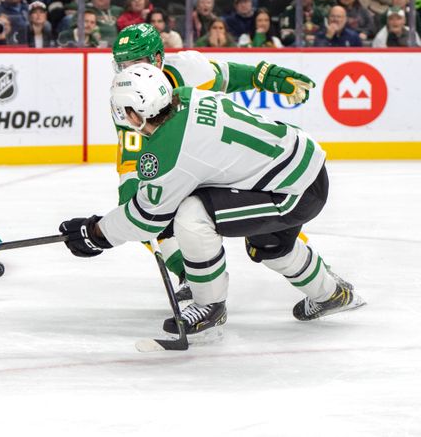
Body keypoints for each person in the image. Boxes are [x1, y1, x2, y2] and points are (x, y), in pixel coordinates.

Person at [58, 62, 364, 336]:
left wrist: (96, 233)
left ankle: (209, 305)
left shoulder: (170, 151)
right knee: (270, 247)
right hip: (300, 167)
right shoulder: (188, 96)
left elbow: (145, 220)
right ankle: (331, 294)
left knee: (193, 215)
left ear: (134, 112)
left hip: (293, 192)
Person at [98, 23, 320, 310]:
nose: (129, 70)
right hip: (189, 161)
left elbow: (229, 76)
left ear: (156, 59)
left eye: (136, 62)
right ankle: (190, 276)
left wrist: (266, 78)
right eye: (123, 64)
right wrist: (132, 198)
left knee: (267, 238)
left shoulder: (189, 69)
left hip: (219, 161)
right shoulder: (129, 95)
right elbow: (132, 156)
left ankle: (308, 266)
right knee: (158, 209)